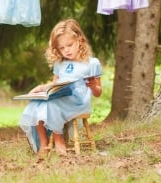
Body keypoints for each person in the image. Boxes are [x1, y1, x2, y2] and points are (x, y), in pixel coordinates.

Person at [19, 18, 103, 157]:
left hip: (78, 103)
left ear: (79, 40)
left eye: (69, 45)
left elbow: (98, 93)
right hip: (61, 98)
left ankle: (59, 140)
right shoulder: (60, 64)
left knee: (52, 105)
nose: (66, 50)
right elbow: (55, 86)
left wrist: (94, 86)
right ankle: (44, 143)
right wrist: (42, 88)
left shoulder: (92, 63)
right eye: (61, 48)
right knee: (36, 103)